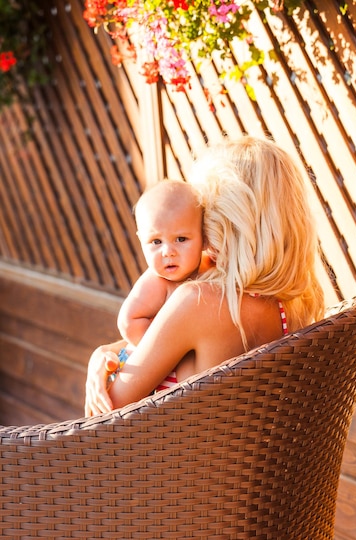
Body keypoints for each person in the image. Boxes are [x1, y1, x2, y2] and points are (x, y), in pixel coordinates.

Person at [84, 135, 325, 416]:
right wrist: (110, 350)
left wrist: (101, 363)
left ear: (226, 221)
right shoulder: (293, 303)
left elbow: (103, 413)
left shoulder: (198, 301)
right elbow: (167, 342)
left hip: (174, 457)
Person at [107, 179, 209, 383]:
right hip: (139, 368)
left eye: (181, 239)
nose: (168, 252)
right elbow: (128, 321)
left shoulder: (206, 272)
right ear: (141, 240)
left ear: (204, 238)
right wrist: (165, 353)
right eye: (155, 242)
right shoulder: (157, 282)